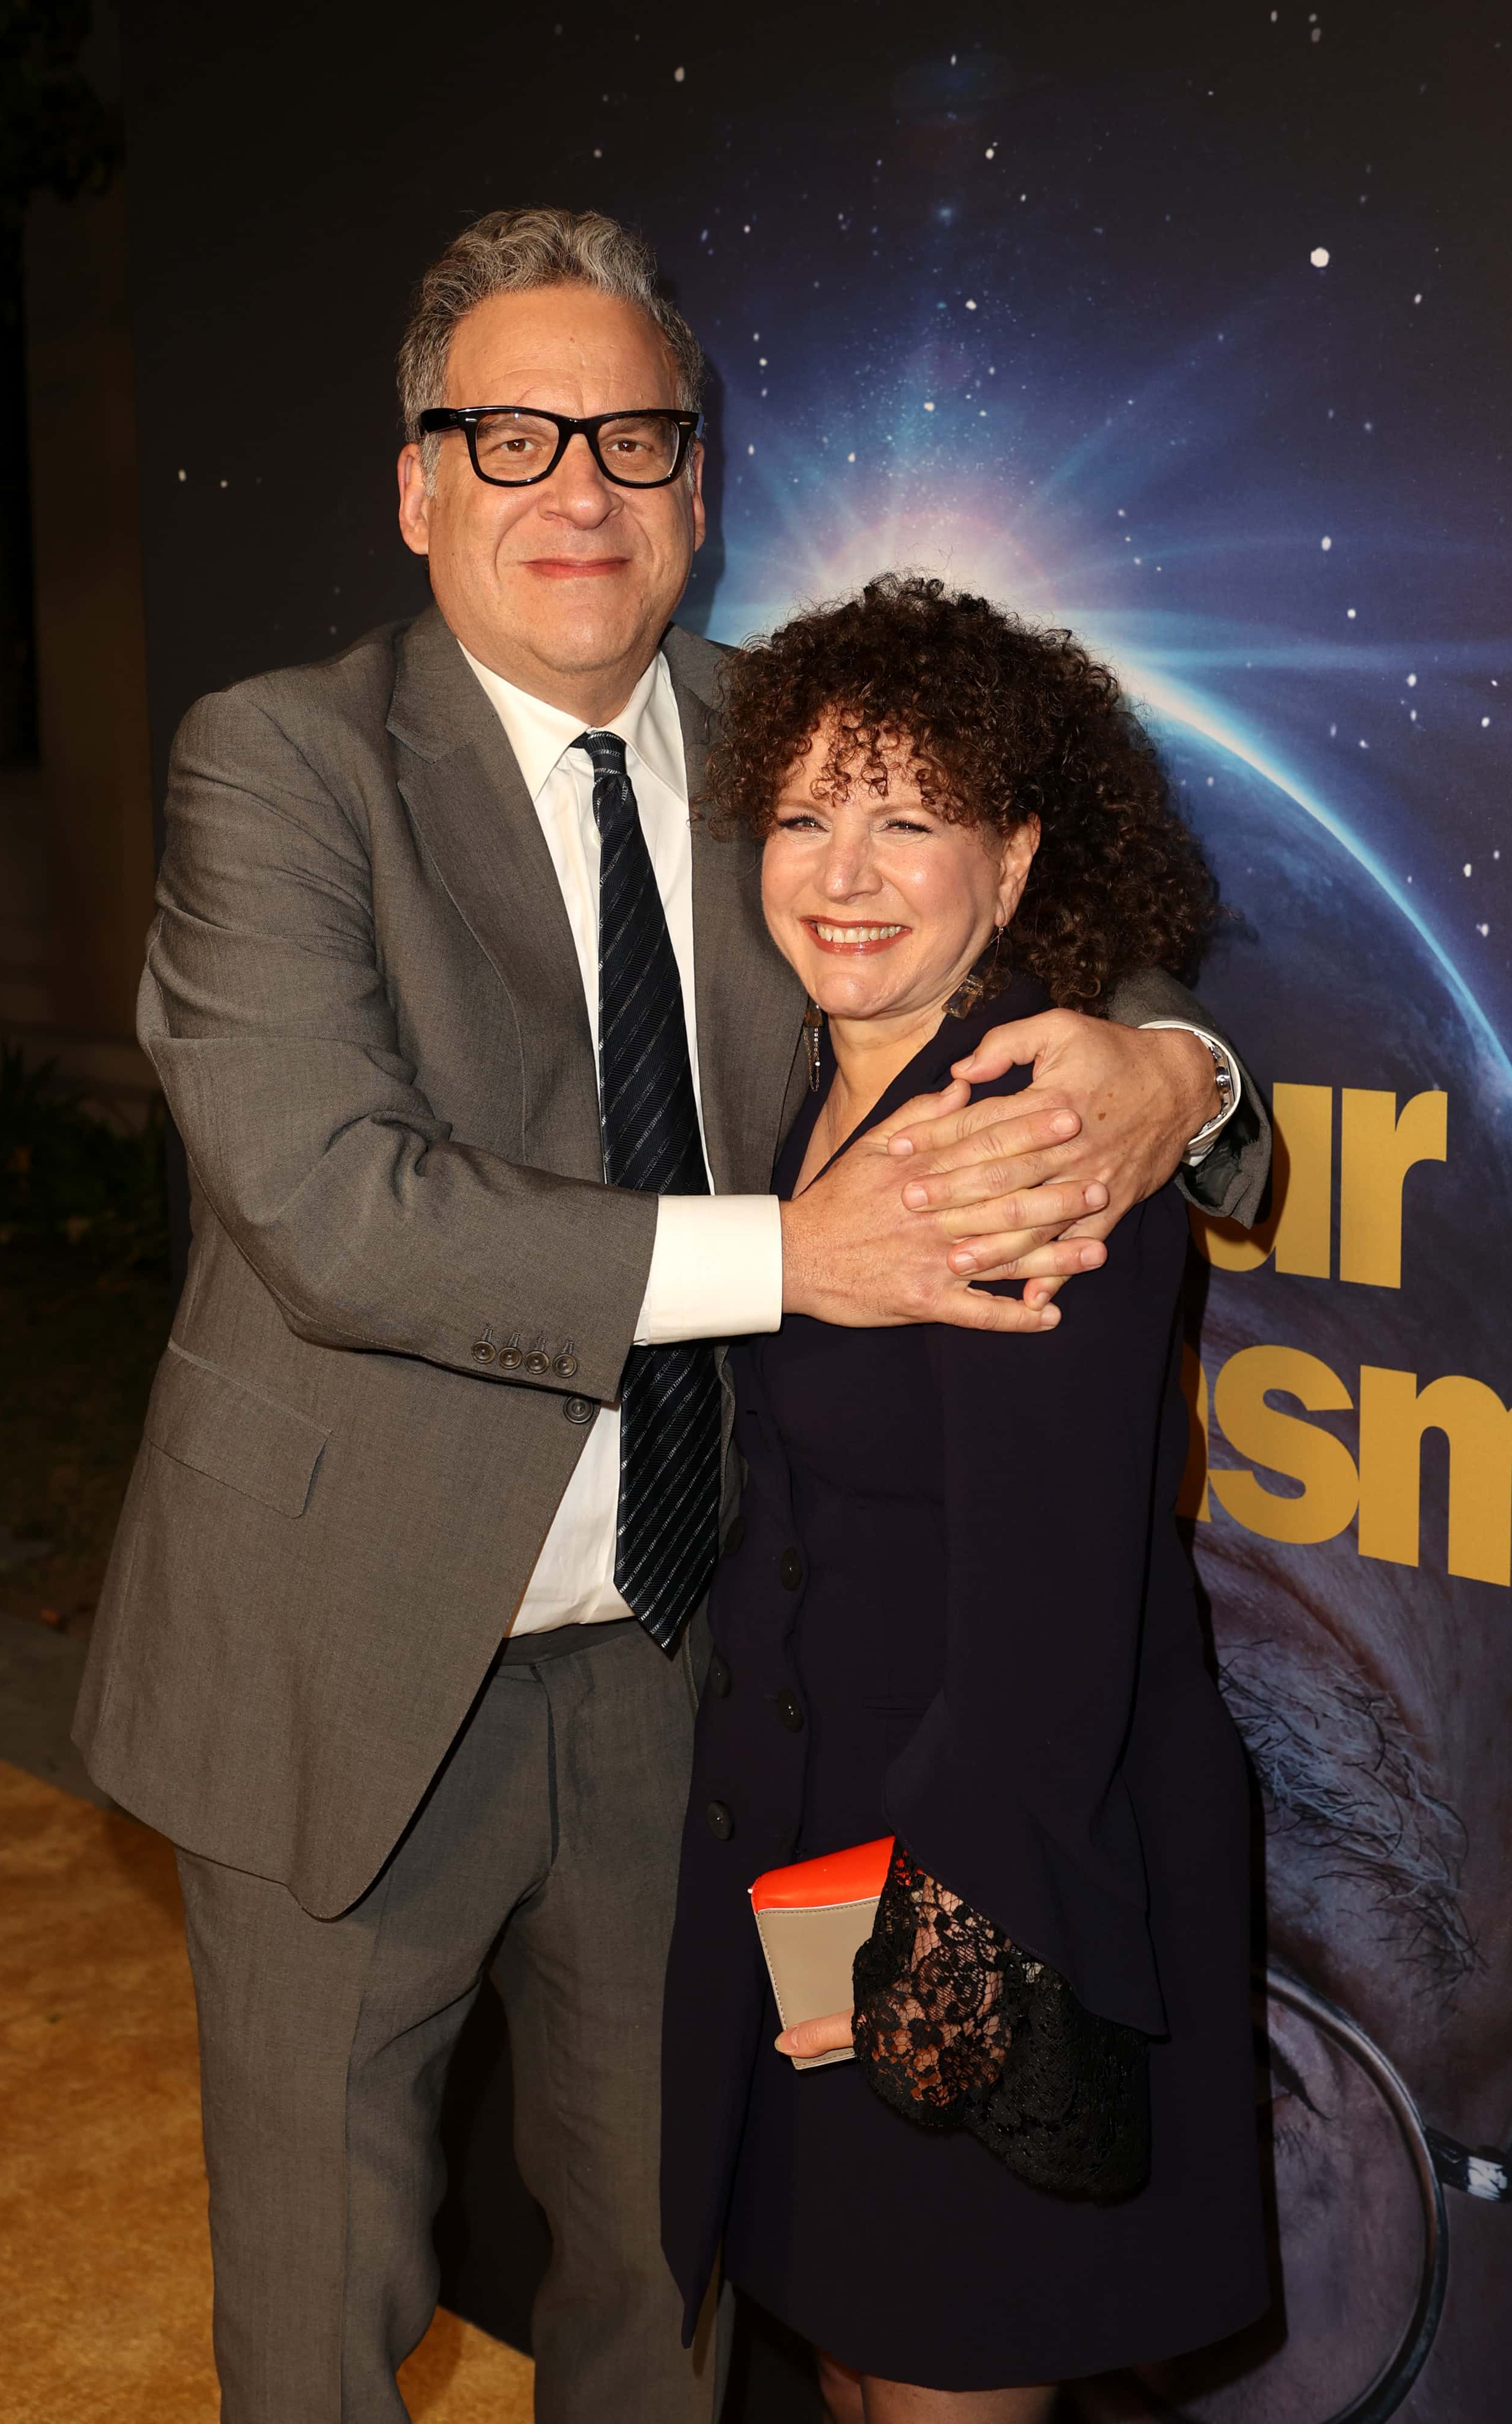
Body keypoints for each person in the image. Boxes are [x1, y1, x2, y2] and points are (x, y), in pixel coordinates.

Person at [73, 209, 1268, 2423]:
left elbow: (1026, 895)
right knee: (327, 2300)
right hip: (341, 1662)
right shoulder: (281, 765)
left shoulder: (777, 745)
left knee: (671, 2270)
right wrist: (794, 1260)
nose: (579, 489)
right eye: (508, 438)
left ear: (700, 489)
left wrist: (1169, 1068)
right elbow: (343, 1211)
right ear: (415, 486)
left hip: (688, 1678)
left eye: (633, 435)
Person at [661, 575, 1270, 2423]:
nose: (842, 870)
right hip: (818, 1832)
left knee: (940, 2372)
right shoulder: (825, 1081)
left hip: (976, 1869)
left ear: (1009, 866)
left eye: (907, 817)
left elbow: (1046, 1622)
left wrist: (910, 1929)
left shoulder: (1028, 1127)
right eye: (804, 813)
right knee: (853, 2351)